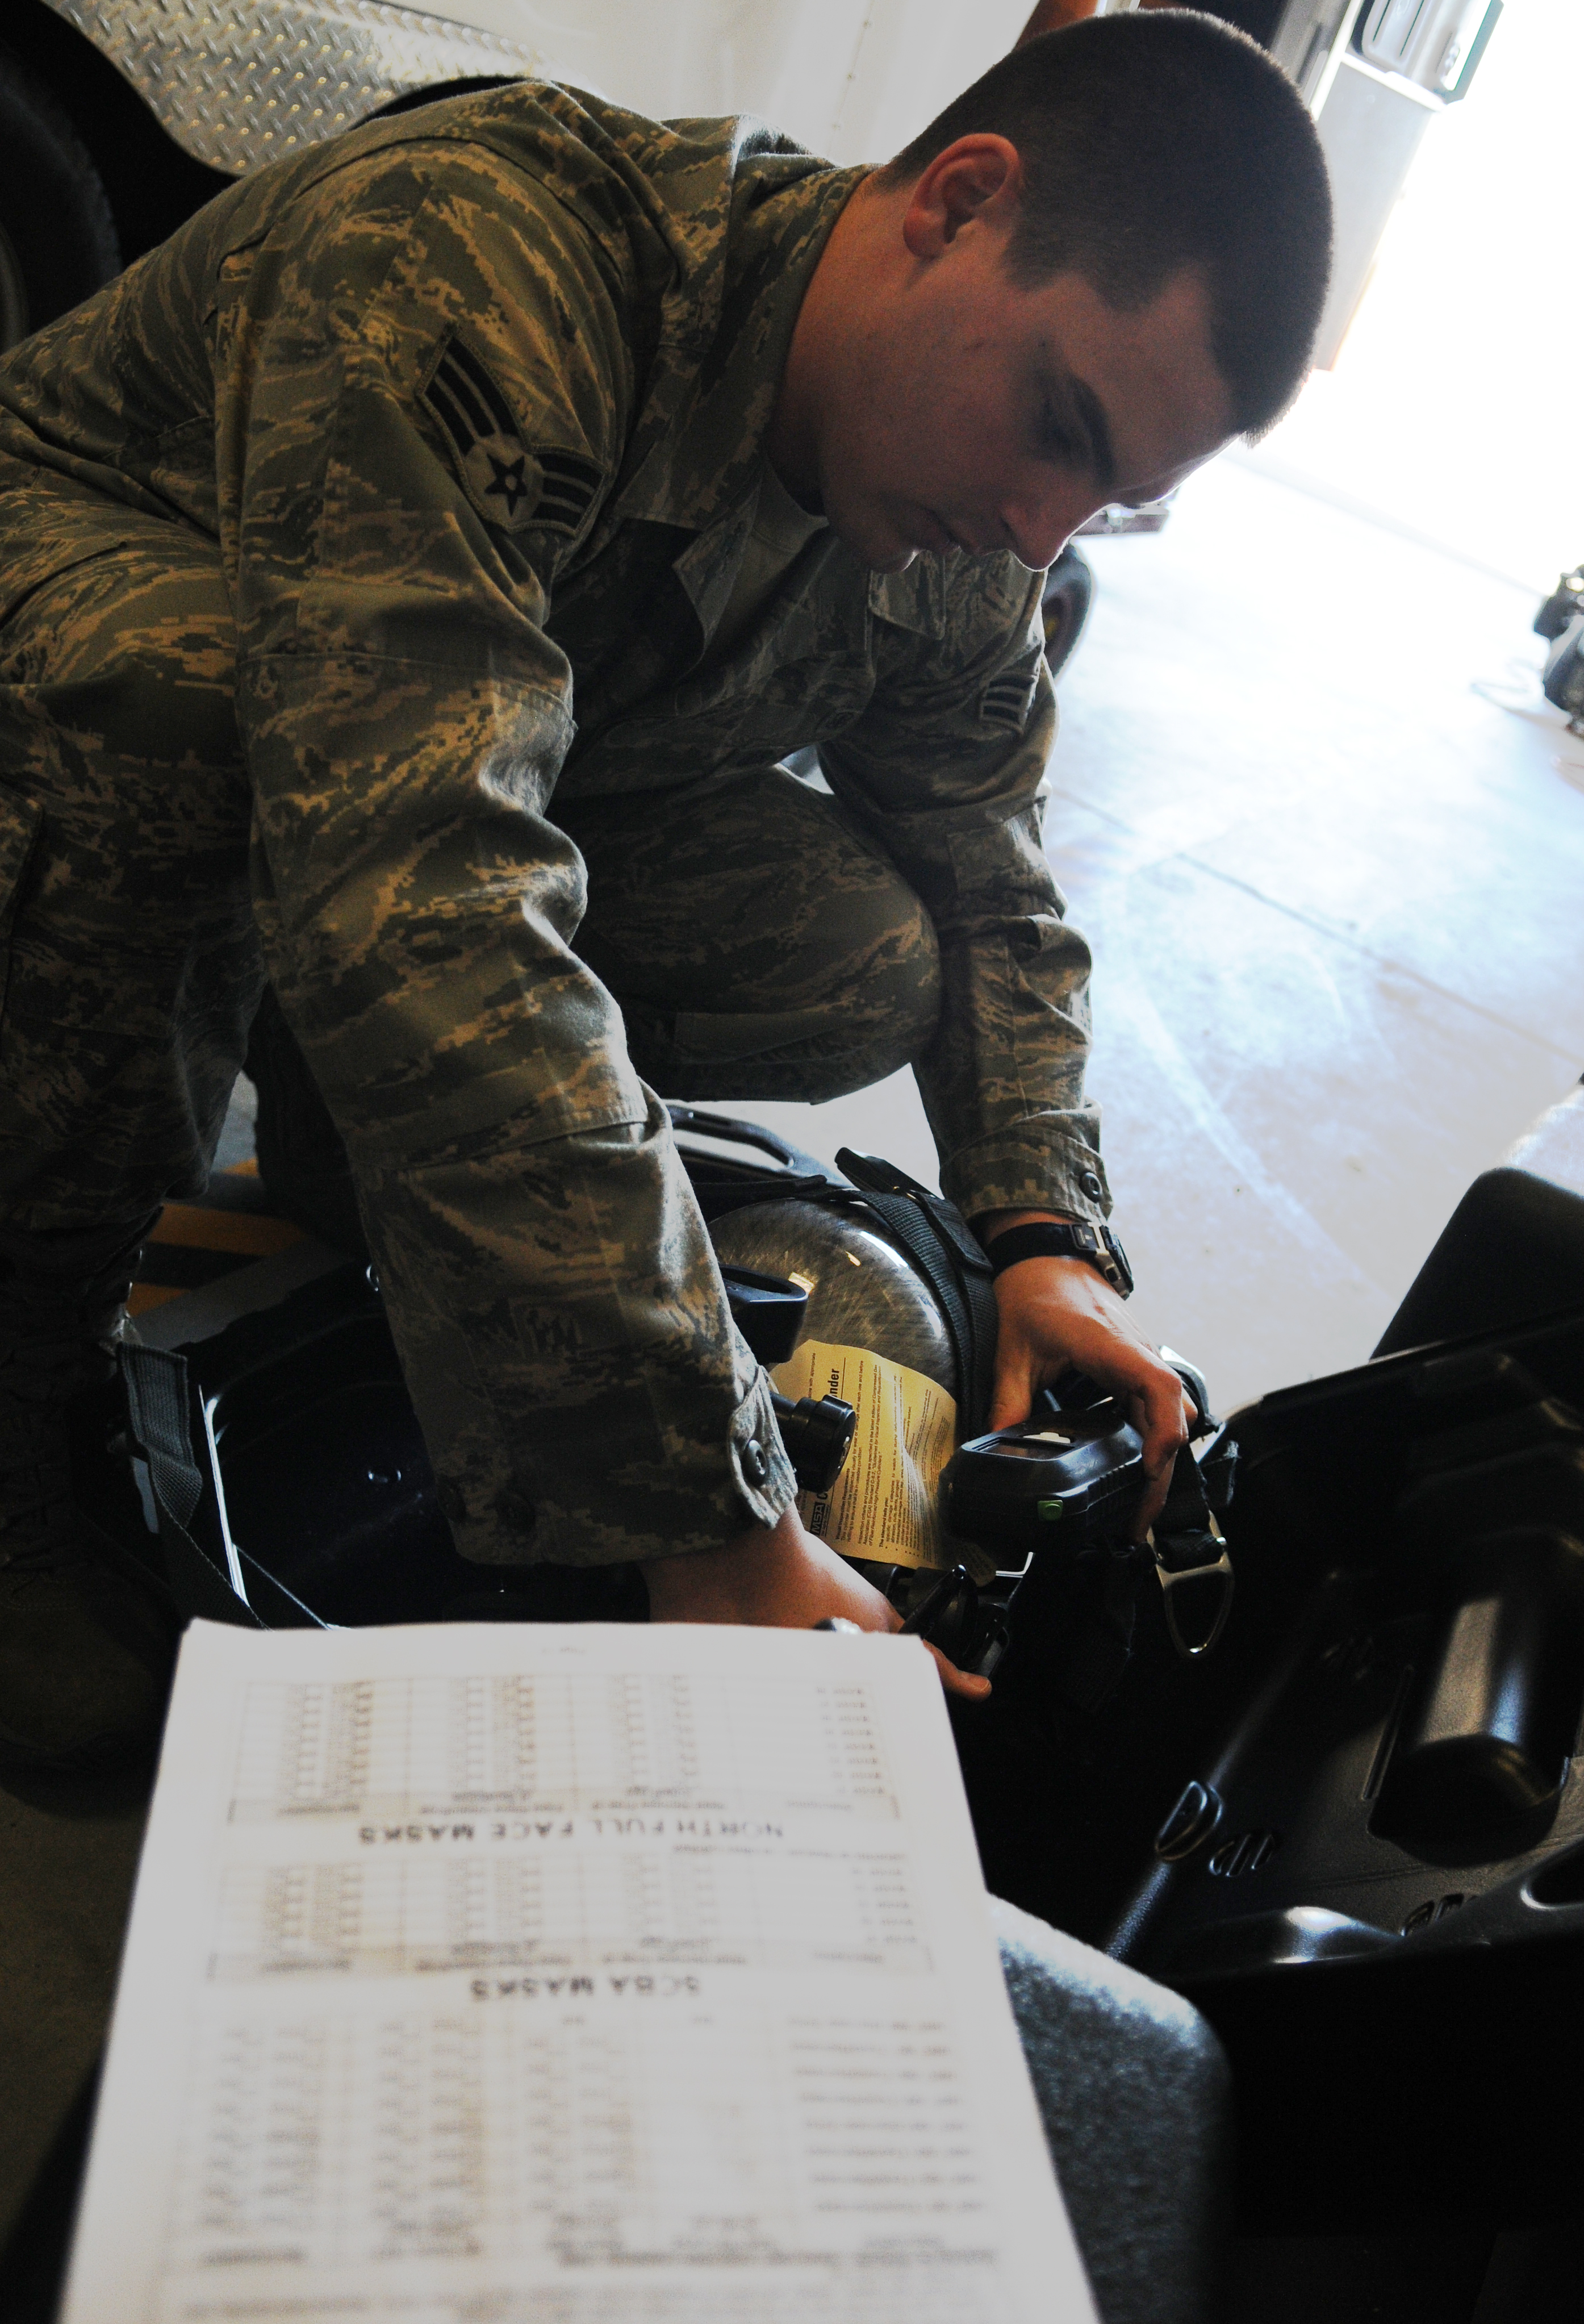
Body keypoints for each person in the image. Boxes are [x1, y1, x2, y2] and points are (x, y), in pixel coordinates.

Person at [0, 12, 1331, 1766]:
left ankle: (370, 1155)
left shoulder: (965, 509)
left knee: (872, 947)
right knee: (201, 720)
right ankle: (20, 1392)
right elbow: (425, 877)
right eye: (1059, 424)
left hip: (442, 756)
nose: (1036, 527)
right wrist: (707, 1507)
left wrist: (1043, 1236)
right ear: (957, 201)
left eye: (1105, 498)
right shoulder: (494, 256)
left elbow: (991, 866)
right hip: (100, 613)